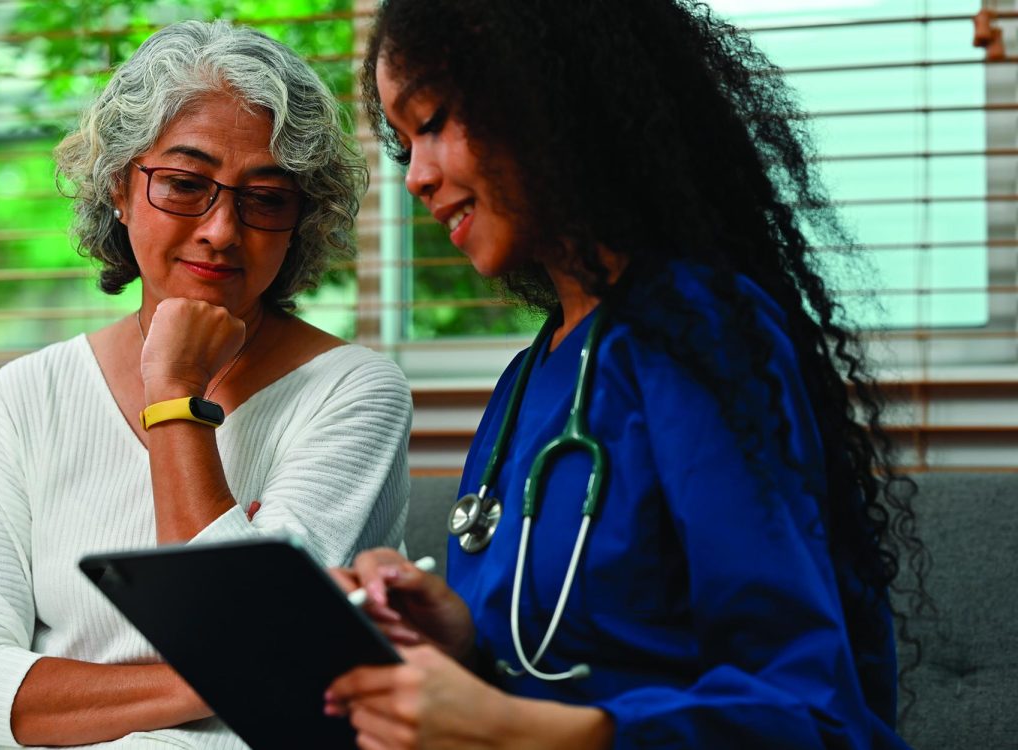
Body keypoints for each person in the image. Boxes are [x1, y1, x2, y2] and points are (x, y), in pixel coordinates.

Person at [325, 1, 932, 748]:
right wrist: (463, 647)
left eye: (434, 120)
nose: (415, 176)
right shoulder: (527, 384)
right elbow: (569, 665)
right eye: (402, 140)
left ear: (547, 94)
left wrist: (512, 730)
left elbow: (809, 711)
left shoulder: (693, 334)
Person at [0, 20, 412, 750]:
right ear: (121, 188)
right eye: (185, 185)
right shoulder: (23, 399)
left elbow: (244, 640)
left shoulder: (354, 391)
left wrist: (175, 392)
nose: (221, 228)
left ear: (297, 226)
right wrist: (223, 674)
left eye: (266, 198)